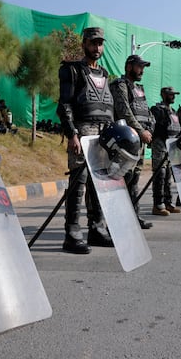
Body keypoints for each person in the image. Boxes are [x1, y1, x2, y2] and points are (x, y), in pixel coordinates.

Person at [56, 27, 114, 254]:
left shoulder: (105, 74)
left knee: (99, 184)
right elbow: (64, 104)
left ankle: (97, 229)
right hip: (83, 131)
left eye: (100, 43)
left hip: (104, 134)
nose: (97, 47)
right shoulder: (72, 71)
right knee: (78, 184)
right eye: (93, 43)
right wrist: (72, 133)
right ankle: (72, 233)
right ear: (84, 44)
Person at [109, 54, 156, 229]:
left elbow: (147, 112)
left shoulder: (139, 89)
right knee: (123, 179)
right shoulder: (120, 85)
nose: (142, 70)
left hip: (140, 141)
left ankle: (133, 217)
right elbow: (124, 112)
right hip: (126, 142)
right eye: (139, 66)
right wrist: (141, 131)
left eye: (143, 67)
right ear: (129, 67)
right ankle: (116, 221)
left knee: (134, 179)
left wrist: (149, 129)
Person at [150, 87, 181, 216]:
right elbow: (155, 126)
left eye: (174, 94)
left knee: (168, 175)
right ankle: (158, 205)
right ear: (163, 94)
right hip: (160, 145)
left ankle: (168, 202)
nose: (173, 97)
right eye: (170, 94)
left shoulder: (173, 111)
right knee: (160, 174)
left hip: (171, 146)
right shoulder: (157, 109)